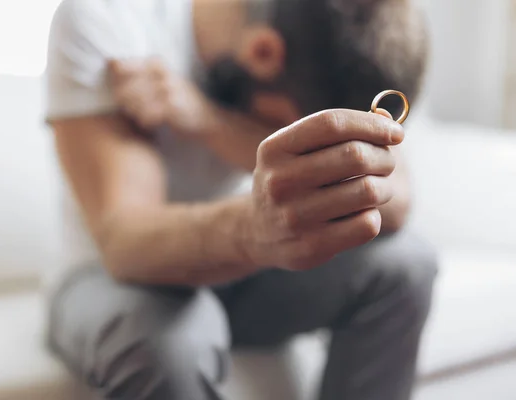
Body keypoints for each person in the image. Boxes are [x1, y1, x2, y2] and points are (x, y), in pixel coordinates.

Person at [43, 0, 438, 399]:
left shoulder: (326, 49)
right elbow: (125, 244)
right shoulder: (108, 19)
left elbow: (396, 198)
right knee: (173, 346)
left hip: (246, 276)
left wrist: (208, 121)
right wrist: (254, 231)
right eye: (294, 125)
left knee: (407, 264)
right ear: (262, 52)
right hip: (111, 276)